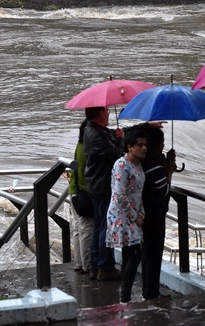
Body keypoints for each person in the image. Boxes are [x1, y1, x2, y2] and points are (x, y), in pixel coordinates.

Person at [83, 106, 159, 281]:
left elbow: (122, 133)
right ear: (101, 114)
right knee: (103, 227)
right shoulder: (97, 136)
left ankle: (95, 264)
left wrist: (145, 125)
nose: (109, 114)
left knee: (98, 226)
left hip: (95, 184)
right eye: (107, 111)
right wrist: (119, 141)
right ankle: (105, 266)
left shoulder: (95, 130)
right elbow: (119, 154)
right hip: (102, 186)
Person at [106, 128, 147, 303]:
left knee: (131, 253)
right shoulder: (121, 165)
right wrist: (134, 216)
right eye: (140, 145)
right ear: (129, 147)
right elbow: (119, 195)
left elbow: (138, 192)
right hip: (121, 216)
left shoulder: (138, 164)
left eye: (145, 145)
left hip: (134, 214)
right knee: (135, 253)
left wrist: (142, 213)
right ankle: (125, 296)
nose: (144, 148)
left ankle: (125, 296)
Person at [141, 127, 176, 300]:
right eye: (162, 143)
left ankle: (148, 288)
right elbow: (163, 190)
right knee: (154, 253)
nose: (163, 146)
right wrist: (169, 170)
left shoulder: (145, 161)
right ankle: (151, 291)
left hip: (145, 213)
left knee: (147, 252)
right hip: (154, 215)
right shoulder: (154, 166)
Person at [68, 119, 93, 274]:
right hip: (83, 193)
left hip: (73, 190)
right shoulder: (86, 148)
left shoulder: (79, 144)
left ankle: (79, 262)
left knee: (78, 228)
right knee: (86, 228)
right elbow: (86, 175)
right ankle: (87, 265)